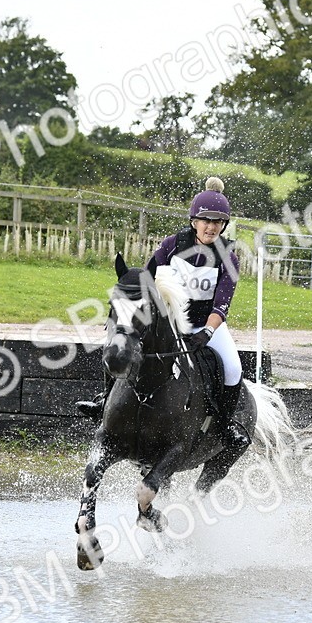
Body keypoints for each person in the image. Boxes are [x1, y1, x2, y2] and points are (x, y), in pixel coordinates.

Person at [76, 176, 250, 451]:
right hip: (168, 323)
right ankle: (104, 400)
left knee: (232, 368)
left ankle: (225, 426)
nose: (211, 227)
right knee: (121, 343)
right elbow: (147, 279)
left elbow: (222, 304)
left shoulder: (228, 256)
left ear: (224, 225)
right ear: (194, 221)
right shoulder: (172, 245)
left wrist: (206, 332)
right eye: (206, 220)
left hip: (204, 326)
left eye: (218, 222)